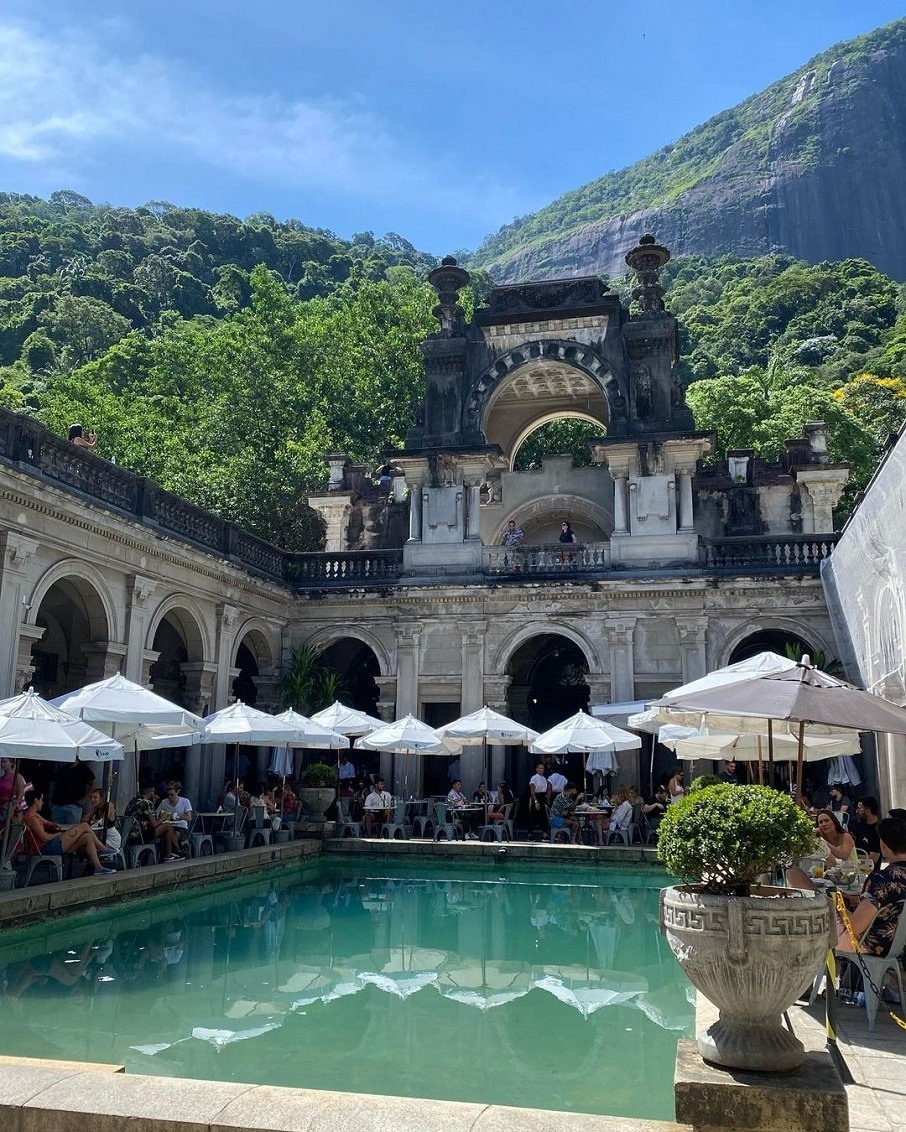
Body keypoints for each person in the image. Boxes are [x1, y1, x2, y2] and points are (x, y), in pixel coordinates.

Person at [836, 818, 906, 957]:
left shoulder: (882, 879)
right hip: (901, 945)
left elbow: (854, 927)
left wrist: (838, 904)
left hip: (880, 945)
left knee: (832, 917)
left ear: (884, 845)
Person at [22, 789, 115, 873]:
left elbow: (48, 823)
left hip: (50, 846)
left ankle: (98, 867)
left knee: (87, 837)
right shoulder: (31, 818)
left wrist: (54, 826)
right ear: (36, 800)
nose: (42, 803)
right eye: (41, 800)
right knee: (85, 826)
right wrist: (60, 833)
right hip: (44, 849)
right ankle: (102, 849)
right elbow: (45, 838)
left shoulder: (35, 815)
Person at [155, 781, 193, 861]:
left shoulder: (185, 801)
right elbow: (157, 814)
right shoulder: (164, 802)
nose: (170, 797)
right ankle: (179, 851)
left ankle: (173, 852)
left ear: (177, 792)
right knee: (168, 830)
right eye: (168, 795)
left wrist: (178, 816)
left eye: (172, 795)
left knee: (173, 833)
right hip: (168, 826)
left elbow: (189, 818)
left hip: (181, 827)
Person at [51, 758, 96, 825]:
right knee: (56, 829)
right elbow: (54, 784)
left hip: (74, 805)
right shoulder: (63, 769)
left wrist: (85, 798)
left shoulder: (84, 769)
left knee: (72, 830)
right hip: (58, 804)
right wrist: (50, 798)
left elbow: (93, 783)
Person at [85, 787, 121, 852]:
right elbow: (85, 819)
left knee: (88, 845)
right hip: (101, 838)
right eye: (91, 797)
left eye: (95, 797)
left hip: (112, 839)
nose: (92, 800)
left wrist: (89, 826)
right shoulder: (96, 808)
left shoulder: (109, 805)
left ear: (102, 798)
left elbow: (101, 823)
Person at [853, 796, 882, 866]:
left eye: (859, 809)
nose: (856, 811)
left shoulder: (878, 831)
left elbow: (873, 860)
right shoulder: (861, 824)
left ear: (868, 811)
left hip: (868, 870)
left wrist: (852, 857)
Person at [527, 762, 550, 839]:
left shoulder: (544, 778)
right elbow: (532, 790)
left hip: (543, 797)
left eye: (543, 768)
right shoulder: (534, 778)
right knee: (532, 815)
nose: (541, 770)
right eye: (540, 768)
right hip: (536, 796)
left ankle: (545, 833)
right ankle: (530, 833)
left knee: (544, 815)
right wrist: (535, 801)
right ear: (536, 769)